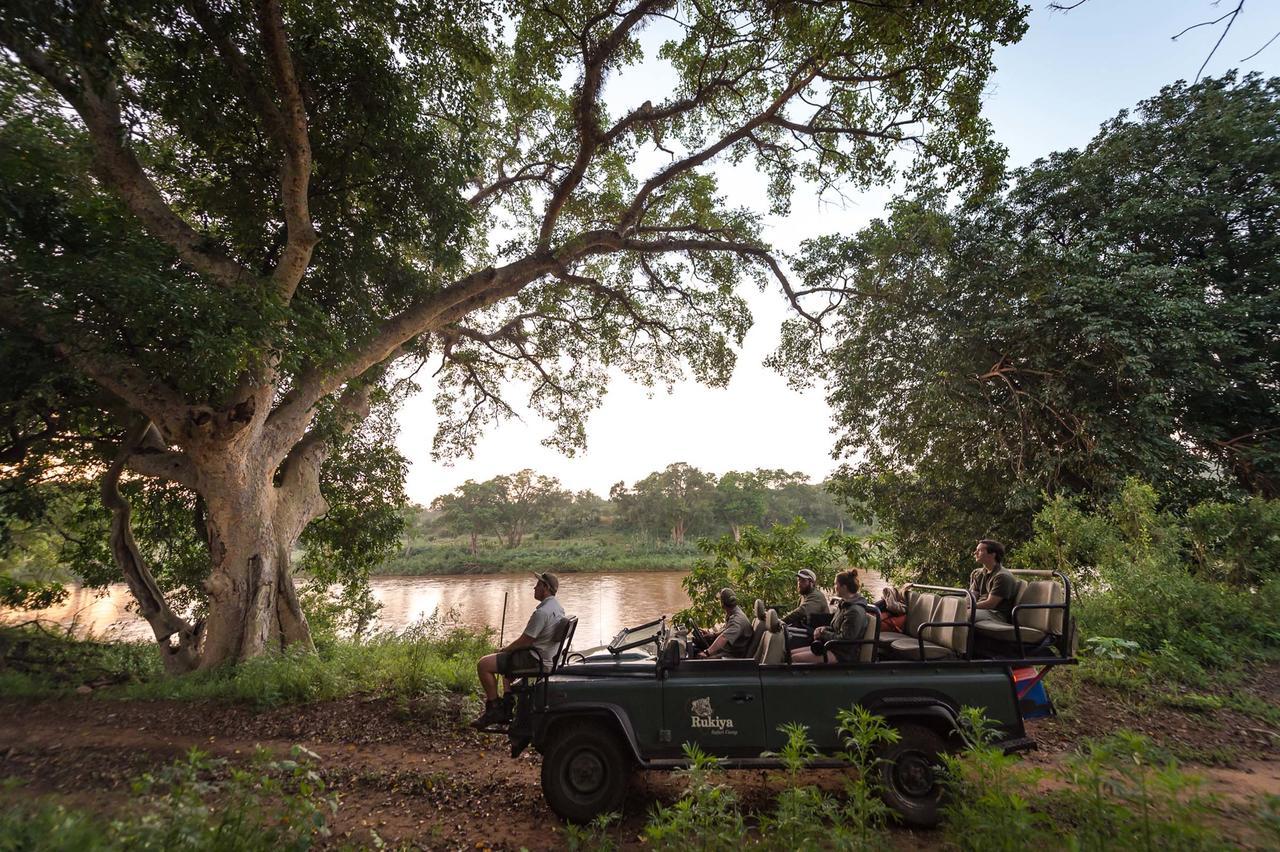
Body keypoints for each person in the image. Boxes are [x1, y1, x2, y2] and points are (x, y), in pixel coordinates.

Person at [470, 571, 565, 728]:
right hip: (547, 657)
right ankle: (507, 705)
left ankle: (494, 709)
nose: (534, 588)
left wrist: (504, 650)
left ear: (546, 588)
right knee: (504, 662)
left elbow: (525, 641)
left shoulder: (542, 613)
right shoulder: (558, 608)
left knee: (484, 664)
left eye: (538, 585)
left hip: (534, 659)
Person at [791, 570, 869, 664]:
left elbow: (845, 640)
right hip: (834, 647)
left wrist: (823, 634)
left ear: (844, 587)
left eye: (836, 584)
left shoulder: (854, 611)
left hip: (843, 654)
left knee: (795, 658)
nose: (834, 587)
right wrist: (823, 629)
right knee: (790, 653)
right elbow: (836, 628)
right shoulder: (844, 605)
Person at [689, 588, 753, 659]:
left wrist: (707, 652)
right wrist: (713, 635)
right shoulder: (734, 613)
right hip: (729, 651)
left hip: (732, 656)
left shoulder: (737, 620)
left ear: (722, 604)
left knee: (700, 658)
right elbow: (726, 630)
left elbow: (723, 638)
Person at [969, 539, 1018, 623]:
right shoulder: (978, 573)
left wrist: (968, 607)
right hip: (980, 609)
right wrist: (963, 604)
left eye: (980, 550)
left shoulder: (1002, 576)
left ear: (992, 554)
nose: (975, 553)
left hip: (996, 614)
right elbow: (972, 595)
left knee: (963, 614)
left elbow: (991, 604)